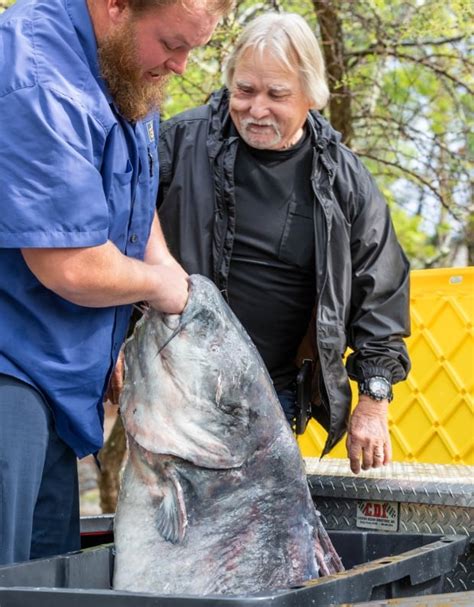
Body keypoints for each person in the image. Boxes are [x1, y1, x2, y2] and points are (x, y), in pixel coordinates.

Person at [0, 0, 232, 565]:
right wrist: (162, 289)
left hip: (58, 379)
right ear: (115, 6)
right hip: (10, 372)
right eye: (173, 44)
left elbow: (131, 193)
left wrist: (166, 296)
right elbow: (71, 264)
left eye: (192, 50)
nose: (180, 66)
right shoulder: (34, 75)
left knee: (41, 582)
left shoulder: (126, 66)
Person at [157, 13, 411, 477]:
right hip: (174, 384)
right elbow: (119, 242)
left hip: (271, 396)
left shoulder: (343, 179)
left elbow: (381, 293)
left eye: (277, 95)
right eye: (245, 90)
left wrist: (373, 402)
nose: (256, 109)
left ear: (311, 97)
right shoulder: (177, 144)